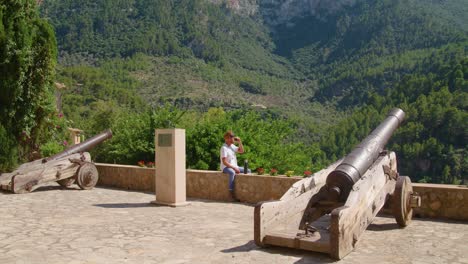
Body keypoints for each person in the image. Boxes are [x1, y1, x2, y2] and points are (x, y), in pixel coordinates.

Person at [220, 130, 250, 200]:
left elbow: (242, 151)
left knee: (248, 170)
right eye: (231, 137)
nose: (233, 139)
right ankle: (230, 194)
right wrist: (234, 168)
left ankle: (244, 191)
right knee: (232, 172)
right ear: (227, 139)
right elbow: (224, 162)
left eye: (233, 137)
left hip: (234, 166)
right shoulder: (224, 148)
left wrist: (240, 142)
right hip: (225, 167)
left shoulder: (232, 146)